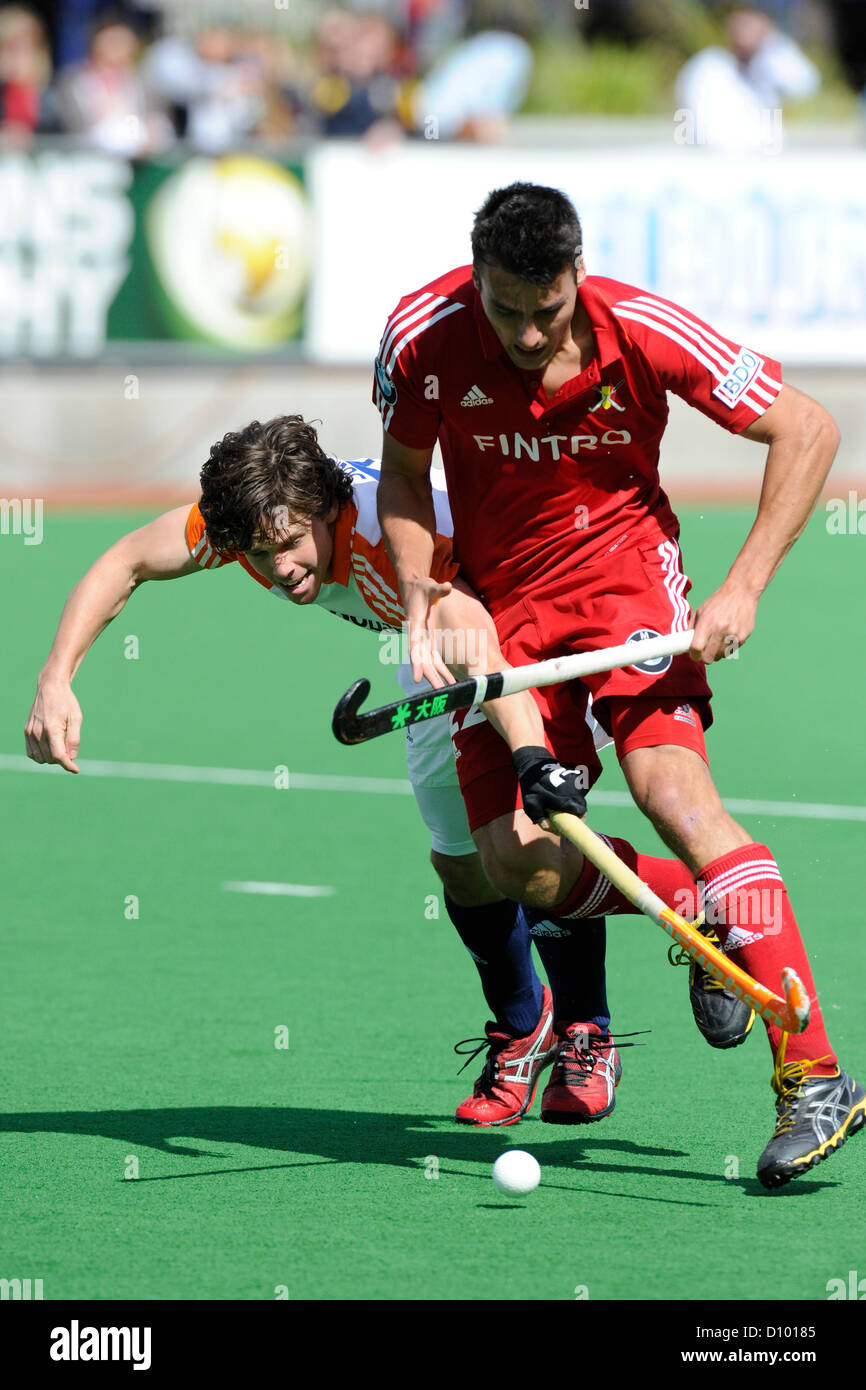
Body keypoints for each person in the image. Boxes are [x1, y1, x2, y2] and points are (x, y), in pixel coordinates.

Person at [373, 181, 864, 1186]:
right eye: (501, 307)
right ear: (476, 279)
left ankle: (813, 1076)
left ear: (575, 275)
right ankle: (696, 907)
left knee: (671, 794)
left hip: (625, 583)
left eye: (542, 310)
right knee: (517, 862)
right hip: (498, 607)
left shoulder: (638, 327)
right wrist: (425, 595)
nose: (520, 331)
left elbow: (807, 427)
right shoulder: (422, 339)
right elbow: (399, 472)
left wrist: (743, 582)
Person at [25, 415, 708, 1130]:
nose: (279, 567)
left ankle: (596, 1019)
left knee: (523, 847)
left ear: (327, 511)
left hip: (517, 631)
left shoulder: (392, 542)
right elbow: (126, 561)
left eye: (290, 546)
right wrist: (56, 679)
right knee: (461, 867)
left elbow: (481, 646)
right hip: (429, 643)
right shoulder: (255, 515)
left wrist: (529, 756)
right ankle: (522, 1026)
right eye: (259, 554)